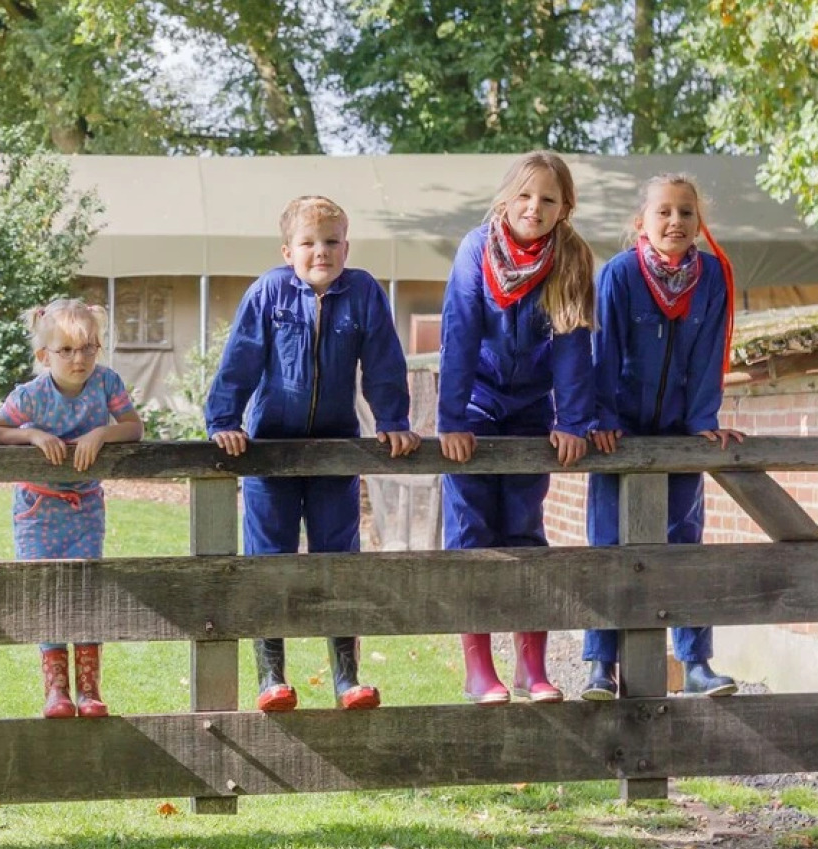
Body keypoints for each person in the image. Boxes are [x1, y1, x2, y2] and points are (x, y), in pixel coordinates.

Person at [204, 195, 419, 712]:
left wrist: (393, 421)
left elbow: (384, 361)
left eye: (331, 242)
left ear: (346, 247)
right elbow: (241, 359)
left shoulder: (363, 293)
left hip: (334, 450)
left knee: (337, 560)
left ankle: (347, 678)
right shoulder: (269, 293)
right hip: (271, 451)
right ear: (288, 251)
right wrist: (224, 421)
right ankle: (271, 677)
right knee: (268, 560)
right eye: (308, 243)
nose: (320, 251)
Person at [437, 151, 595, 704]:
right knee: (471, 531)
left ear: (564, 208)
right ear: (505, 199)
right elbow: (458, 333)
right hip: (476, 406)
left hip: (531, 409)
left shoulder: (570, 258)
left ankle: (532, 666)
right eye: (524, 195)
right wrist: (452, 419)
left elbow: (574, 344)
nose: (534, 207)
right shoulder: (475, 249)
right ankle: (479, 669)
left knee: (525, 530)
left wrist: (572, 420)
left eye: (548, 199)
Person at [583, 173, 742, 699]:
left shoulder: (712, 276)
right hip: (618, 435)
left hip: (678, 433)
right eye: (664, 212)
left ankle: (695, 664)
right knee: (607, 545)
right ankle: (601, 665)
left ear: (699, 222)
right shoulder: (619, 274)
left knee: (684, 544)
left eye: (686, 212)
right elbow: (603, 351)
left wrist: (702, 421)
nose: (676, 221)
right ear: (641, 223)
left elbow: (709, 353)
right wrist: (603, 417)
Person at [0, 298, 143, 718]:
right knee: (46, 591)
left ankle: (89, 689)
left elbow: (134, 426)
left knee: (86, 589)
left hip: (84, 506)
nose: (78, 359)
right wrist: (31, 435)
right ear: (43, 355)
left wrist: (101, 433)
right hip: (37, 509)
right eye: (66, 350)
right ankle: (57, 690)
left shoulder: (105, 384)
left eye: (88, 348)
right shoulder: (31, 396)